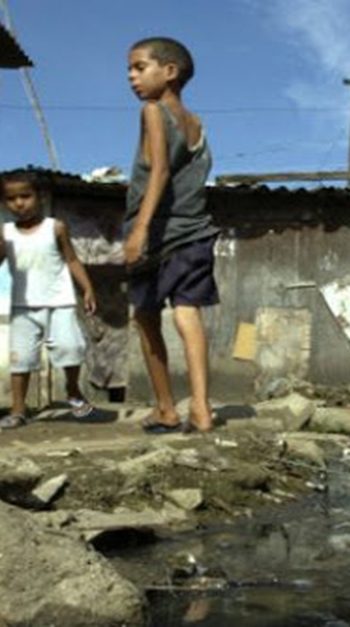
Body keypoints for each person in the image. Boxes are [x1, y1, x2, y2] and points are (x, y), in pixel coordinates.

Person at [0, 170, 98, 428]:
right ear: (5, 202)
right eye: (12, 199)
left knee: (70, 348)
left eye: (26, 196)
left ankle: (72, 391)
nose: (19, 203)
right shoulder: (6, 233)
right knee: (20, 359)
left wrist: (88, 288)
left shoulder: (55, 228)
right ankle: (18, 410)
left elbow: (72, 259)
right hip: (23, 306)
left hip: (60, 302)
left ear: (39, 197)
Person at [124, 36, 219, 434]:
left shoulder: (152, 111)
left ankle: (166, 409)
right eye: (129, 70)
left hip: (160, 236)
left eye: (139, 67)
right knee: (187, 314)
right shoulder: (197, 125)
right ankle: (200, 407)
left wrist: (140, 230)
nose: (131, 77)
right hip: (197, 232)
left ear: (170, 71)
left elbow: (159, 170)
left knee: (146, 319)